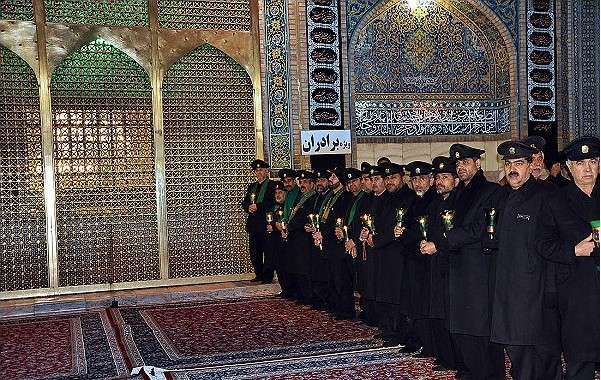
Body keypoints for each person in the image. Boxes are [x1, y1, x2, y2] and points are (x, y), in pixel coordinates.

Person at [489, 141, 562, 380]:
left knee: (537, 355)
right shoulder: (501, 197)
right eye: (508, 163)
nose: (512, 169)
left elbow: (553, 243)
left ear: (531, 166)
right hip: (506, 289)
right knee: (517, 351)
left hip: (535, 293)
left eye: (519, 163)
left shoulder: (545, 194)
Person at [537, 136, 600, 380]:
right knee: (580, 359)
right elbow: (542, 244)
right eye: (580, 163)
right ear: (569, 167)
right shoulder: (555, 200)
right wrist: (574, 251)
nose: (587, 169)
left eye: (592, 161)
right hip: (577, 293)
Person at [441, 144, 505, 380]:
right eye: (457, 164)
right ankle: (469, 370)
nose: (461, 167)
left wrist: (447, 238)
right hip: (457, 269)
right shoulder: (457, 194)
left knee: (481, 329)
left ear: (478, 164)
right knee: (461, 328)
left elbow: (480, 228)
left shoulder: (492, 191)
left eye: (465, 162)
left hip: (479, 270)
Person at [419, 156, 461, 372]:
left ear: (455, 180)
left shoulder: (459, 202)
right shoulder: (435, 203)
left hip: (452, 267)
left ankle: (454, 359)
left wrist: (438, 245)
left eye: (445, 177)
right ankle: (443, 356)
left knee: (450, 315)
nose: (439, 181)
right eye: (437, 177)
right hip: (433, 266)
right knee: (436, 313)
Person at [401, 161, 438, 358]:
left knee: (425, 304)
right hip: (412, 259)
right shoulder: (411, 201)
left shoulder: (434, 200)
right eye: (414, 179)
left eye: (422, 179)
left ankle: (429, 345)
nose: (418, 184)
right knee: (413, 303)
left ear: (430, 180)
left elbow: (425, 231)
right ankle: (416, 340)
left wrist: (408, 235)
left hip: (427, 261)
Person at [284, 170, 318, 305]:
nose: (302, 185)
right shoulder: (301, 197)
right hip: (296, 237)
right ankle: (302, 295)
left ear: (311, 184)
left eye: (305, 182)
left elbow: (304, 218)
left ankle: (308, 296)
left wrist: (290, 226)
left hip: (305, 239)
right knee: (298, 267)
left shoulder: (313, 197)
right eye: (301, 182)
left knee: (305, 268)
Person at [241, 159, 276, 283]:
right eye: (256, 170)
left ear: (266, 171)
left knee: (268, 252)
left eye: (261, 170)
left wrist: (259, 206)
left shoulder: (272, 185)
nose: (259, 172)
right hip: (254, 225)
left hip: (266, 224)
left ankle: (267, 276)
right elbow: (244, 202)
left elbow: (273, 202)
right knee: (255, 252)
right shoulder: (252, 186)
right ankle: (259, 274)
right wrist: (248, 207)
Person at [308, 169, 332, 310]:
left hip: (326, 238)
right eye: (318, 181)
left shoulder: (330, 197)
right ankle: (319, 299)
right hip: (315, 237)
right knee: (316, 270)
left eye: (322, 180)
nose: (319, 183)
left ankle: (326, 300)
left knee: (325, 272)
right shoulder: (318, 197)